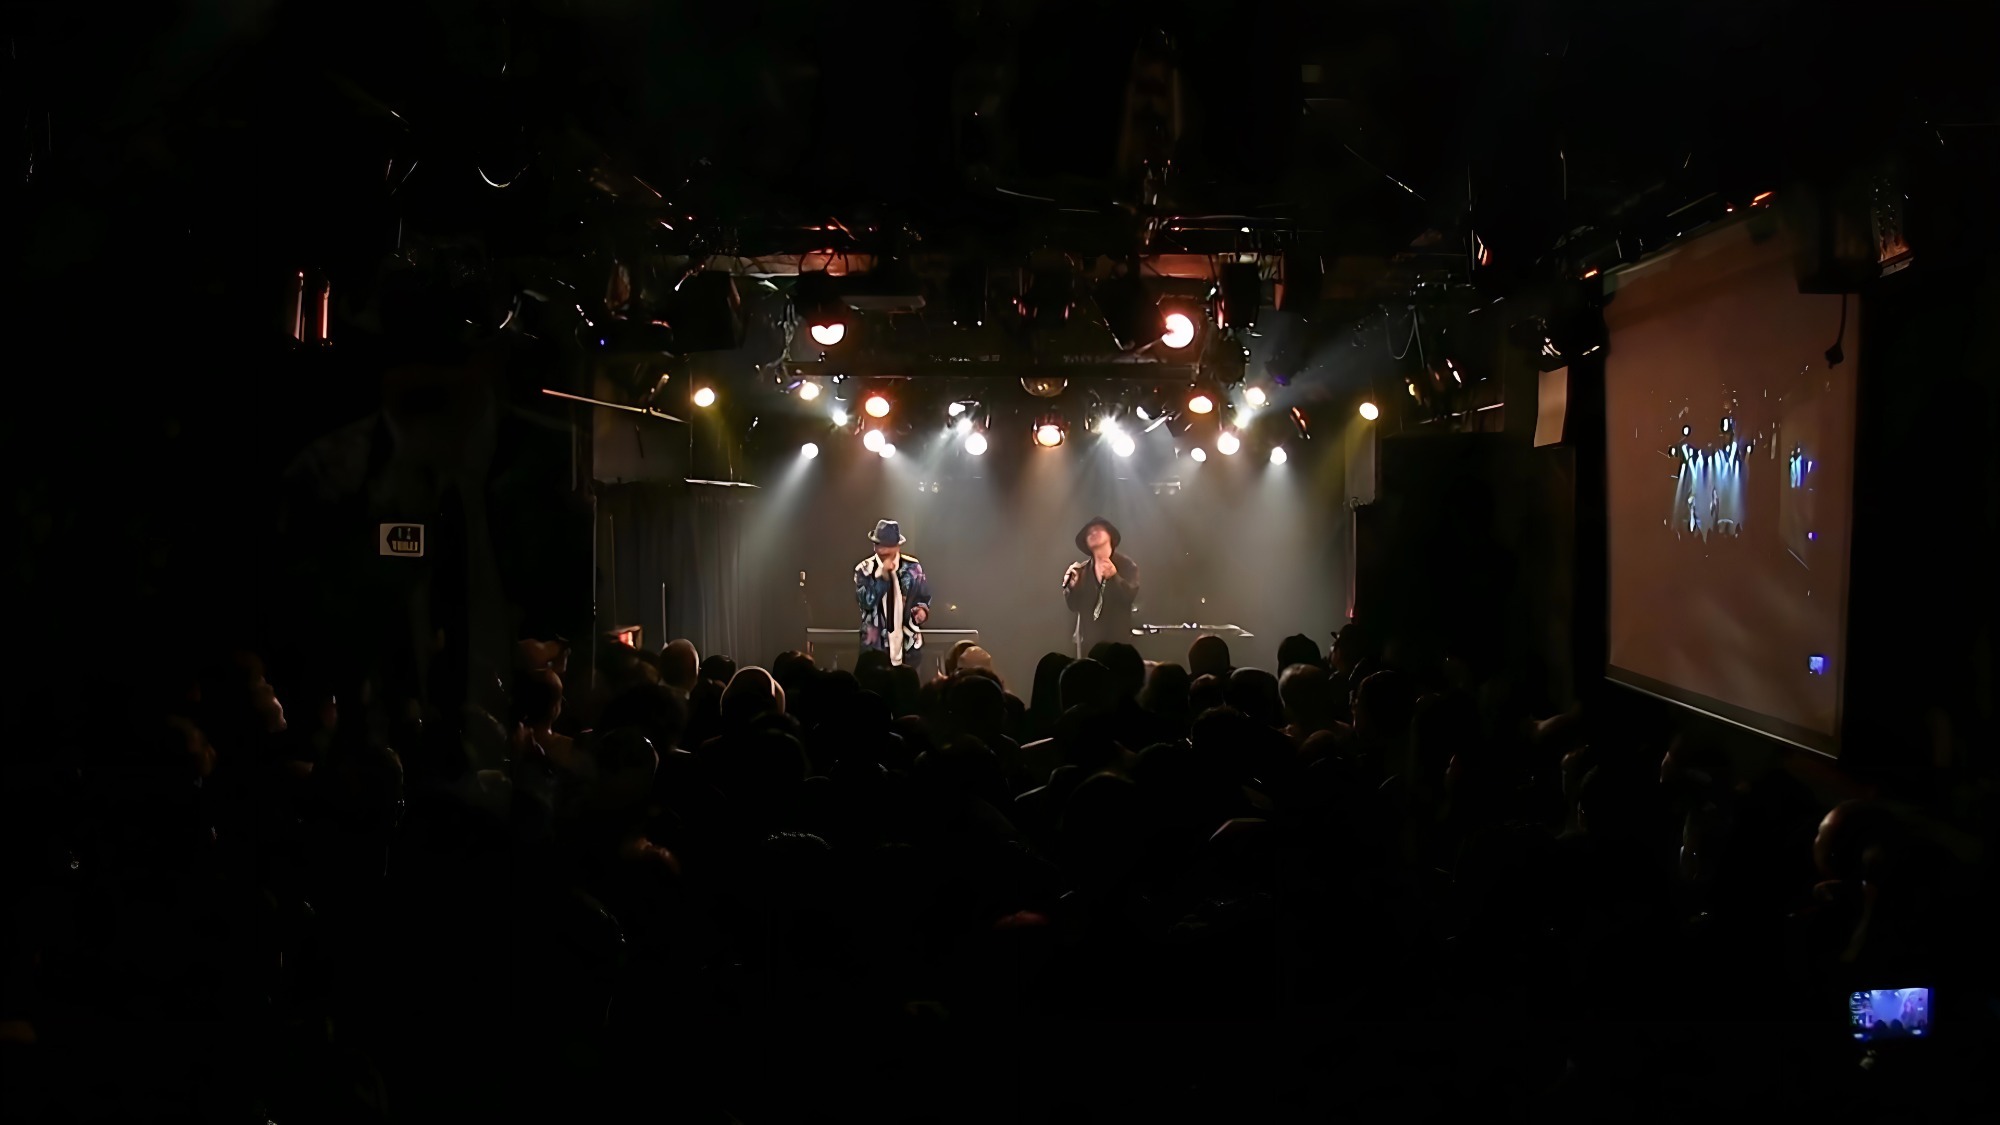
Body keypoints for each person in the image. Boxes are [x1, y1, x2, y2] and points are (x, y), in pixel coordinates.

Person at [854, 519, 932, 667]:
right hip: (875, 647)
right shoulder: (864, 569)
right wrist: (882, 579)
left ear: (897, 546)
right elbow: (866, 602)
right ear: (875, 546)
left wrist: (922, 610)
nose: (885, 551)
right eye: (882, 546)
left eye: (890, 546)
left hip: (908, 644)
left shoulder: (913, 567)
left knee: (907, 679)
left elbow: (924, 596)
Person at [1062, 517, 1140, 656]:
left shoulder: (1126, 565)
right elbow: (1074, 606)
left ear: (1110, 535)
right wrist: (1072, 587)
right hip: (1090, 648)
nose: (1093, 533)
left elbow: (1129, 596)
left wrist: (1114, 577)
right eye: (1089, 532)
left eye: (1098, 529)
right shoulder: (1082, 571)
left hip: (1118, 646)